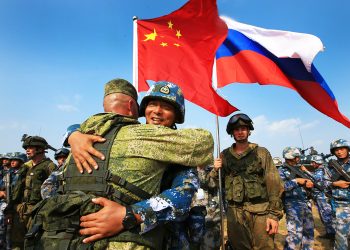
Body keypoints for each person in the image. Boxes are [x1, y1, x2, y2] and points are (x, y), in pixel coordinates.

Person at [31, 79, 214, 249]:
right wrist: (74, 135)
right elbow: (51, 186)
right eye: (152, 105)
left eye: (166, 107)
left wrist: (131, 214)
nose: (157, 111)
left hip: (163, 237)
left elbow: (184, 195)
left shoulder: (180, 151)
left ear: (176, 115)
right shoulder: (113, 139)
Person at [213, 113, 283, 250]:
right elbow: (212, 184)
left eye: (243, 128)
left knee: (264, 247)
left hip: (261, 211)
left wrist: (274, 215)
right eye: (237, 129)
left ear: (249, 131)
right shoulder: (225, 155)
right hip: (235, 213)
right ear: (232, 132)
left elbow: (274, 183)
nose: (240, 132)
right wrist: (216, 170)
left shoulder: (261, 153)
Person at [10, 135, 56, 249]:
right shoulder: (26, 167)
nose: (27, 150)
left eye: (31, 147)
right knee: (16, 242)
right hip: (21, 210)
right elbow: (18, 189)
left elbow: (56, 191)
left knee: (34, 242)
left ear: (40, 149)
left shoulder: (49, 166)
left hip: (37, 211)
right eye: (26, 148)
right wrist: (12, 209)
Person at [278, 147, 314, 250]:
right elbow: (281, 187)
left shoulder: (300, 169)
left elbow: (312, 182)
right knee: (294, 235)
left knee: (308, 232)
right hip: (292, 204)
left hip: (306, 203)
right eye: (297, 157)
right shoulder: (281, 170)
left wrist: (309, 184)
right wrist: (296, 181)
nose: (298, 159)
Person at [325, 139, 350, 250]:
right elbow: (322, 183)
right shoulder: (330, 167)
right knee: (341, 237)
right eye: (336, 150)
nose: (339, 152)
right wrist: (335, 183)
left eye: (342, 149)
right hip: (341, 205)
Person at [308, 155, 335, 239]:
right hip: (321, 196)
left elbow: (317, 178)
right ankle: (330, 232)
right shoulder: (322, 169)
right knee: (325, 215)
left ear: (318, 162)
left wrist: (306, 171)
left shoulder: (321, 170)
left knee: (326, 215)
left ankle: (332, 234)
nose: (312, 164)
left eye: (313, 162)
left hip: (322, 196)